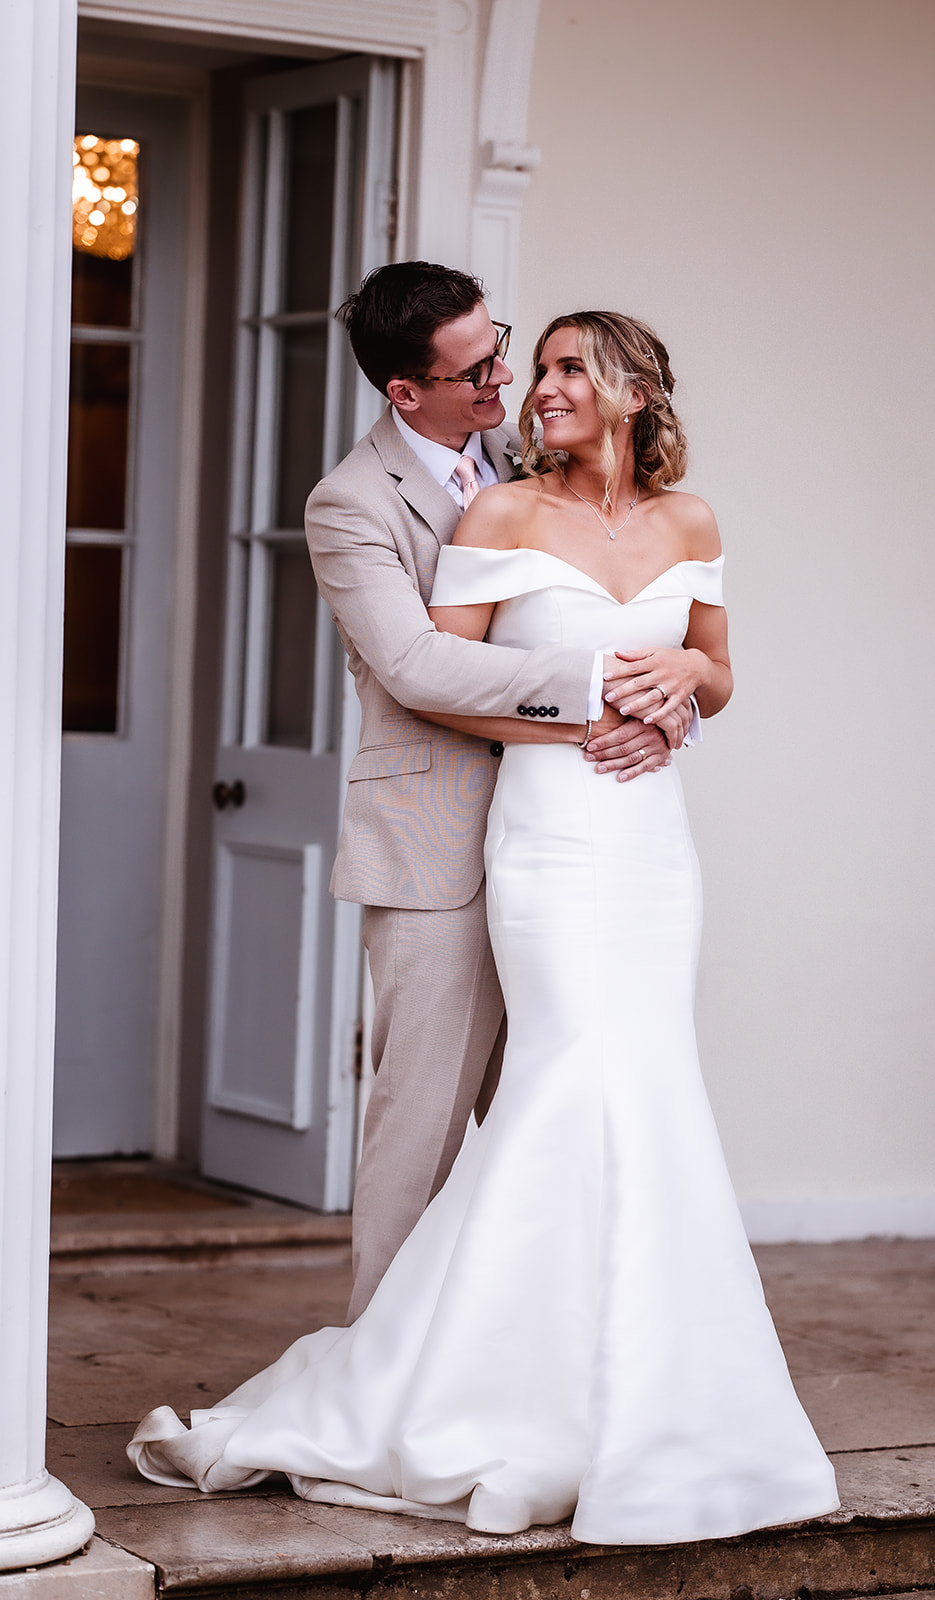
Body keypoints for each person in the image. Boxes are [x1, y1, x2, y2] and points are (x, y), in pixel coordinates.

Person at [128, 309, 839, 1545]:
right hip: (552, 837)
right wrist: (584, 724)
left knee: (651, 1083)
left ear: (632, 389)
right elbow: (444, 686)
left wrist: (681, 692)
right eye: (533, 365)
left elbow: (716, 666)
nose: (535, 387)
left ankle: (642, 1388)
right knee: (568, 1079)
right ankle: (445, 1378)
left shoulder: (692, 521)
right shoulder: (498, 515)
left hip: (653, 846)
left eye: (565, 365)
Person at [301, 263, 680, 1322]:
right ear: (403, 393)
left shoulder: (526, 462)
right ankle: (382, 1372)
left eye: (501, 347)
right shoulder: (349, 505)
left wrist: (682, 674)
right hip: (436, 848)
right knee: (420, 1125)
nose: (508, 381)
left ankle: (530, 1354)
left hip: (569, 843)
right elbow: (417, 668)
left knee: (555, 1117)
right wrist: (601, 686)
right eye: (476, 373)